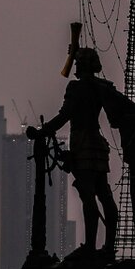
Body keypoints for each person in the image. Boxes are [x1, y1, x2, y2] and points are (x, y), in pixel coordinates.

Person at [27, 47, 121, 256]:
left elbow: (64, 115)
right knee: (104, 195)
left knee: (88, 196)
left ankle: (90, 246)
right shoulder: (102, 87)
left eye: (77, 63)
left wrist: (42, 132)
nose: (75, 67)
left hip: (82, 143)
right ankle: (109, 246)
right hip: (97, 144)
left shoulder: (75, 88)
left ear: (82, 65)